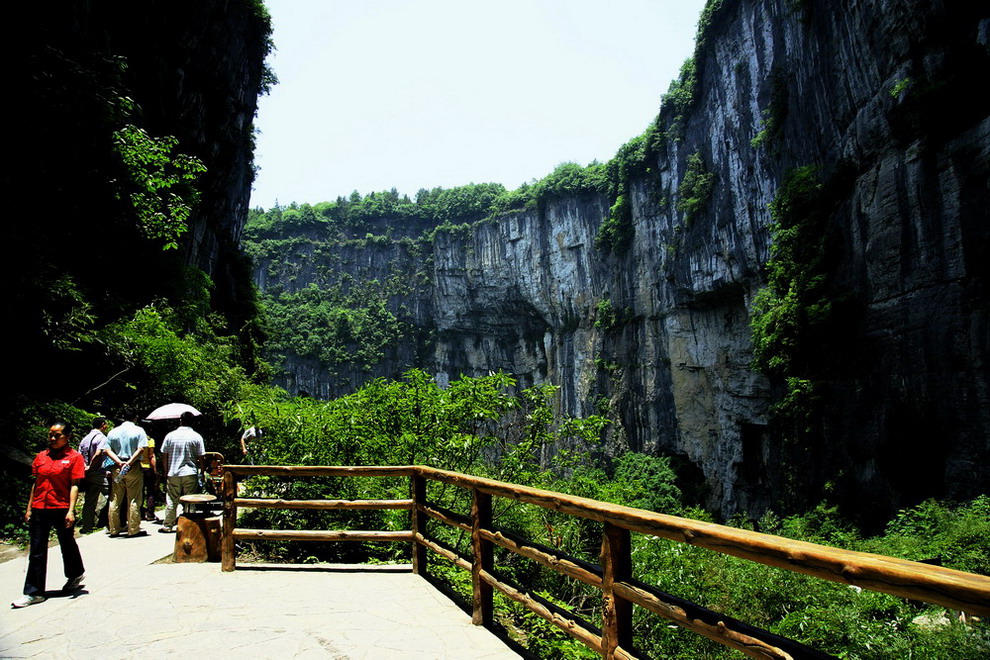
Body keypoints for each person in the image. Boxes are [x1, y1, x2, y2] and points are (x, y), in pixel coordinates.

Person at [12, 422, 86, 608]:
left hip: (61, 507)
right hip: (40, 507)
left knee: (67, 544)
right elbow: (36, 483)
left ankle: (76, 573)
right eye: (51, 435)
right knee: (36, 551)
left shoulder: (74, 457)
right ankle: (34, 592)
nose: (53, 439)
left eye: (57, 435)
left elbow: (75, 485)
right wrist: (29, 508)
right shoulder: (42, 456)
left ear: (67, 436)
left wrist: (71, 510)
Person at [104, 409, 148, 537]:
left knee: (115, 498)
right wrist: (129, 462)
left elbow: (107, 450)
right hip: (133, 466)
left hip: (117, 467)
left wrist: (119, 462)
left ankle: (114, 529)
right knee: (133, 498)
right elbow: (141, 449)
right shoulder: (139, 431)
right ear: (135, 417)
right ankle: (133, 529)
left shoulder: (113, 432)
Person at [159, 411, 205, 533]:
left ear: (180, 420)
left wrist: (165, 471)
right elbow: (201, 457)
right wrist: (203, 471)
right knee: (190, 500)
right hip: (190, 472)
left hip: (173, 472)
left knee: (171, 500)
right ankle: (189, 525)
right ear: (193, 422)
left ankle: (168, 525)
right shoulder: (196, 437)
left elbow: (164, 454)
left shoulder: (170, 436)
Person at [77, 416, 108, 533]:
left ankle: (87, 526)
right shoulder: (101, 438)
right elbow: (98, 453)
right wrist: (91, 465)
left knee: (90, 499)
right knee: (112, 494)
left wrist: (85, 468)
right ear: (103, 425)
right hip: (99, 472)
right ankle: (109, 522)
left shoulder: (85, 439)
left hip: (86, 473)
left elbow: (79, 455)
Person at [140, 436, 161, 522]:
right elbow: (151, 456)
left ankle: (140, 513)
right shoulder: (150, 440)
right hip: (148, 468)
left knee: (139, 492)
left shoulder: (138, 439)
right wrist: (155, 470)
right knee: (150, 492)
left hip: (138, 467)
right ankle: (150, 514)